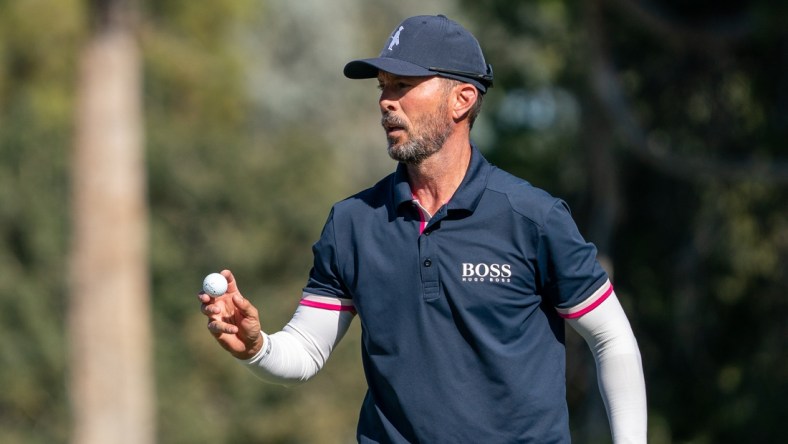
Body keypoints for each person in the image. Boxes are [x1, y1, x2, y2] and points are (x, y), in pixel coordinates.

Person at [199, 14, 647, 443]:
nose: (386, 101)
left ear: (462, 99)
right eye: (383, 87)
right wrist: (256, 348)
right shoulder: (352, 223)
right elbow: (305, 353)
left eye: (404, 85)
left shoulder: (533, 217)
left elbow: (610, 337)